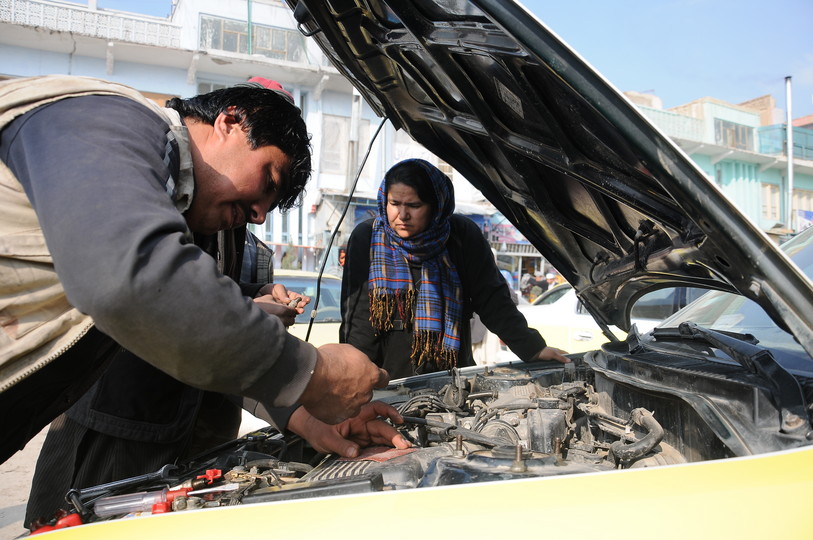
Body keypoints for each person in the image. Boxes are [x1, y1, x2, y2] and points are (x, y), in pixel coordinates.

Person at [0, 75, 394, 465]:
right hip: (113, 424)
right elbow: (133, 281)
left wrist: (307, 416)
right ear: (230, 122)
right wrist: (314, 373)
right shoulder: (103, 121)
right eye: (268, 180)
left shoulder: (190, 211)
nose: (258, 215)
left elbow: (204, 321)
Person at [340, 158, 569, 379]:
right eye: (394, 204)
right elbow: (358, 318)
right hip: (386, 379)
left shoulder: (461, 235)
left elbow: (492, 300)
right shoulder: (368, 237)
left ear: (437, 206)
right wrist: (356, 377)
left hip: (450, 379)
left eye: (414, 205)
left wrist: (533, 348)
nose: (402, 215)